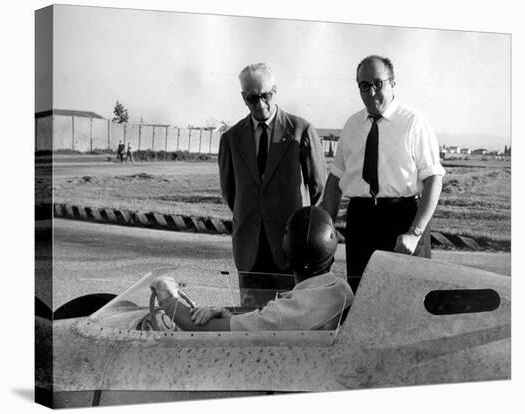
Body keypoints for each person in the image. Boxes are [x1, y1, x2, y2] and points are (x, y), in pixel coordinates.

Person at [321, 55, 445, 293]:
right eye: (364, 86)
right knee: (363, 301)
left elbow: (433, 179)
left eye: (378, 83)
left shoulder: (414, 123)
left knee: (408, 301)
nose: (371, 92)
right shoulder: (352, 125)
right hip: (361, 221)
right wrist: (326, 230)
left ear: (392, 83)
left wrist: (414, 232)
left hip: (404, 219)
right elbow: (335, 180)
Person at [218, 63, 327, 306]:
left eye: (265, 96)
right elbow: (230, 193)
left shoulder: (301, 131)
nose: (260, 105)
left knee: (294, 320)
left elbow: (318, 188)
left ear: (275, 91)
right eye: (252, 98)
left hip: (292, 249)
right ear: (243, 98)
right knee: (250, 323)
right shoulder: (231, 139)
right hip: (250, 251)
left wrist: (301, 228)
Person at [150, 206, 353, 331]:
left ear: (286, 256)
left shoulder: (286, 313)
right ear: (332, 256)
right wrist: (228, 316)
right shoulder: (342, 290)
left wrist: (166, 297)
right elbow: (263, 323)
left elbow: (197, 328)